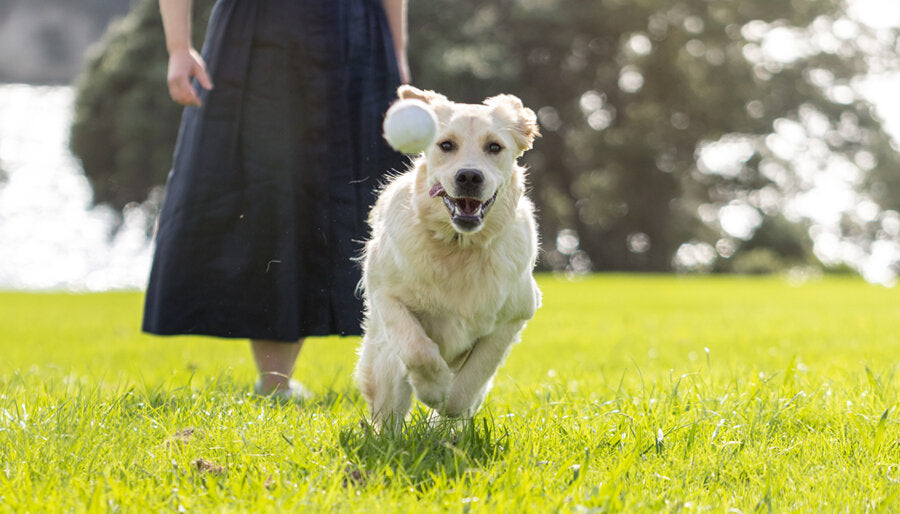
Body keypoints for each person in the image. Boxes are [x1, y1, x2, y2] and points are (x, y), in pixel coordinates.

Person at [143, 0, 410, 398]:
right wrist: (178, 47)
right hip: (261, 31)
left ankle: (404, 374)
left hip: (355, 32)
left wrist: (397, 51)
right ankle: (275, 383)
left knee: (364, 192)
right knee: (268, 194)